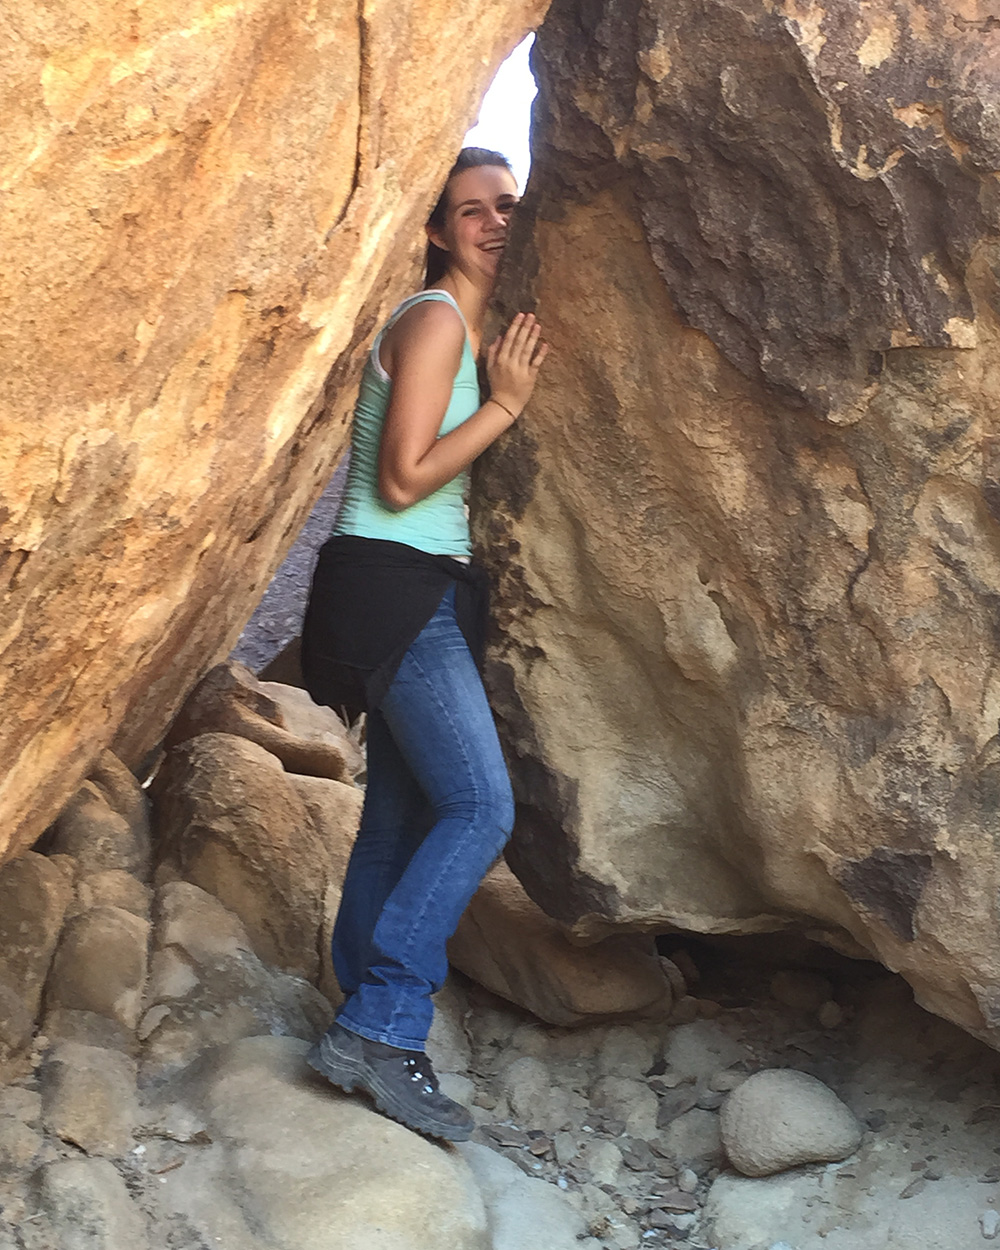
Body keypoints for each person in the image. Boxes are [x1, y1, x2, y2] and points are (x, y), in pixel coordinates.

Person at [301, 147, 548, 1142]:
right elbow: (402, 480)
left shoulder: (464, 325)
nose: (492, 221)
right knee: (481, 803)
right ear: (439, 231)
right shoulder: (436, 318)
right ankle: (382, 1023)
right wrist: (504, 406)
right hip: (392, 584)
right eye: (470, 210)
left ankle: (359, 1018)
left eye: (506, 205)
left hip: (401, 587)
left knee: (398, 817)